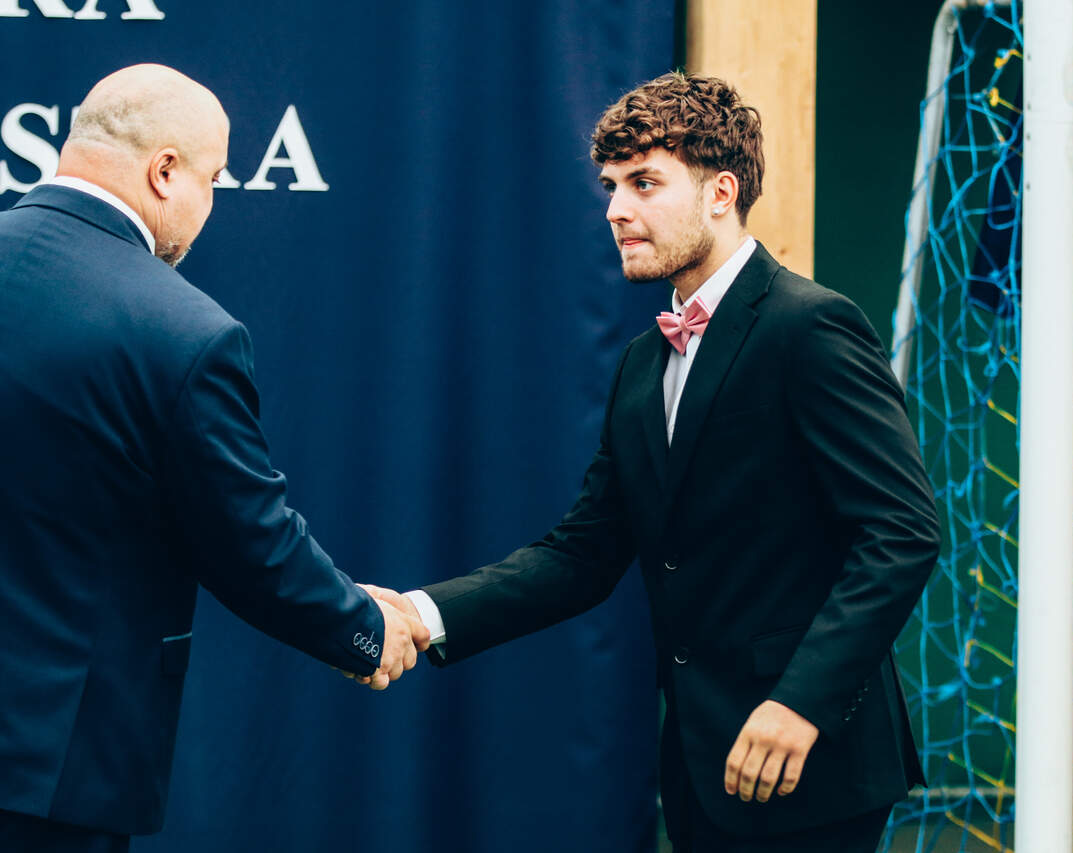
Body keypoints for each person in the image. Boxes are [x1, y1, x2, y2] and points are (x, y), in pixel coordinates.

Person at [371, 72, 940, 852]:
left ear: (721, 192)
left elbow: (902, 531)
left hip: (809, 761)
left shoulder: (810, 326)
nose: (615, 208)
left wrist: (799, 702)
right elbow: (582, 554)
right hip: (701, 766)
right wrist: (419, 614)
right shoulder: (644, 360)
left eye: (644, 182)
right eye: (611, 186)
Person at [0, 64, 428, 853]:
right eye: (213, 179)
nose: (210, 204)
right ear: (165, 171)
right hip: (49, 771)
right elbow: (250, 542)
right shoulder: (181, 332)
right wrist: (365, 626)